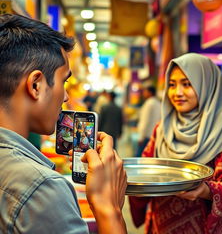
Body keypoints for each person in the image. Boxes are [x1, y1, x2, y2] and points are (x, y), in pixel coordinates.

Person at [0, 14, 127, 234]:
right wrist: (108, 207)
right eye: (64, 81)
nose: (66, 96)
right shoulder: (42, 187)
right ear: (36, 85)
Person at [129, 53, 222, 234]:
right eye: (172, 85)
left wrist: (205, 190)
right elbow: (144, 169)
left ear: (206, 85)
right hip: (161, 226)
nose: (177, 92)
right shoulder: (163, 128)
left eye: (187, 84)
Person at [136, 85, 161, 157]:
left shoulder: (149, 104)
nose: (143, 93)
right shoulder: (157, 103)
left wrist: (141, 137)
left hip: (146, 136)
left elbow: (145, 121)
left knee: (140, 157)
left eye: (145, 91)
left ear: (150, 92)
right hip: (153, 135)